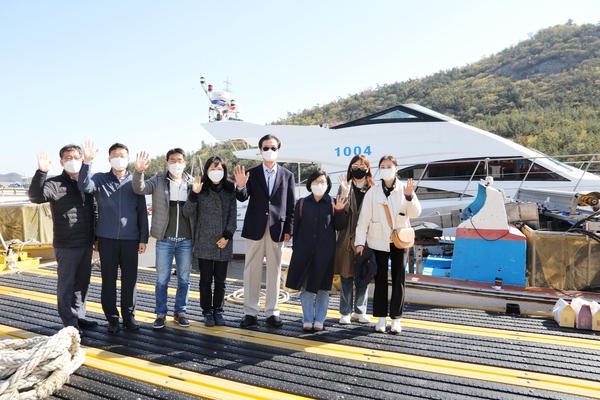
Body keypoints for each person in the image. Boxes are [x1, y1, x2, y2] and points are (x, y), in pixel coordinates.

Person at [78, 140, 148, 334]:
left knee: (130, 280)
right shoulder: (100, 178)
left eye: (122, 156)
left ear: (128, 159)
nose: (119, 159)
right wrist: (87, 162)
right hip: (106, 239)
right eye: (115, 156)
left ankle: (129, 317)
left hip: (130, 239)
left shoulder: (135, 181)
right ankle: (112, 319)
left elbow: (142, 212)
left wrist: (143, 238)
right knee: (108, 281)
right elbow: (84, 185)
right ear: (109, 159)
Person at [28, 145, 97, 335]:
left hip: (86, 242)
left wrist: (96, 237)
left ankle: (79, 316)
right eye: (68, 157)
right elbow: (35, 196)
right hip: (66, 244)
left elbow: (95, 209)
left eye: (76, 156)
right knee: (66, 285)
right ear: (61, 162)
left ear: (82, 159)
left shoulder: (88, 182)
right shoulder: (54, 183)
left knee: (82, 283)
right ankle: (69, 322)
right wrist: (42, 172)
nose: (72, 160)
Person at [234, 134, 295, 328]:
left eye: (273, 148)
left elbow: (291, 205)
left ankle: (272, 311)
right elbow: (242, 197)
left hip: (278, 228)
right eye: (266, 148)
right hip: (255, 226)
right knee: (251, 268)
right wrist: (241, 185)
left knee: (275, 270)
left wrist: (289, 229)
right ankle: (250, 311)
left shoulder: (287, 175)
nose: (270, 151)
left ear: (278, 150)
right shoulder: (251, 173)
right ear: (260, 151)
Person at [355, 155, 421, 334]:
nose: (385, 169)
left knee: (399, 279)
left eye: (389, 166)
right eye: (382, 166)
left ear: (396, 168)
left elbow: (415, 213)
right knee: (381, 279)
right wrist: (360, 242)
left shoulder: (404, 190)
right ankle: (381, 317)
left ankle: (396, 319)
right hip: (378, 240)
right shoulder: (373, 192)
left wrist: (409, 197)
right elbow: (363, 220)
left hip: (400, 240)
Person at [133, 148, 193, 329]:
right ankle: (160, 314)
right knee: (161, 279)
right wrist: (139, 171)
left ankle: (180, 312)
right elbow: (139, 188)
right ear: (167, 163)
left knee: (184, 279)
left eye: (180, 160)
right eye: (172, 160)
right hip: (164, 239)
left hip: (186, 239)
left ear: (185, 163)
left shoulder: (192, 183)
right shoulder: (158, 181)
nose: (176, 163)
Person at [285, 170, 347, 331]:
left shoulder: (333, 202)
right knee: (305, 287)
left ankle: (319, 319)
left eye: (322, 182)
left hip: (325, 252)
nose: (319, 185)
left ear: (327, 185)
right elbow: (296, 229)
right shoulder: (302, 203)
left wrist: (340, 211)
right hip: (304, 251)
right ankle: (307, 319)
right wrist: (297, 249)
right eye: (316, 182)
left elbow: (340, 226)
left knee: (323, 288)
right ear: (310, 184)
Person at [183, 156, 237, 327]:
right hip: (204, 240)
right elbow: (186, 212)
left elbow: (233, 216)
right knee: (206, 279)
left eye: (219, 169)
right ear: (206, 171)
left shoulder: (230, 190)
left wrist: (227, 236)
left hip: (223, 241)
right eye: (213, 169)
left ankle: (218, 310)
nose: (216, 172)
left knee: (220, 280)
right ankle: (207, 311)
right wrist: (194, 193)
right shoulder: (200, 188)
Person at [334, 155, 376, 325]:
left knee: (363, 274)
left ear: (368, 168)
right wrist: (344, 194)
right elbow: (340, 218)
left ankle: (360, 310)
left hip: (367, 238)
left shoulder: (373, 188)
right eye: (355, 165)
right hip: (347, 238)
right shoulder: (344, 187)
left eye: (362, 165)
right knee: (346, 274)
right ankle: (345, 311)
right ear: (350, 168)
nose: (359, 168)